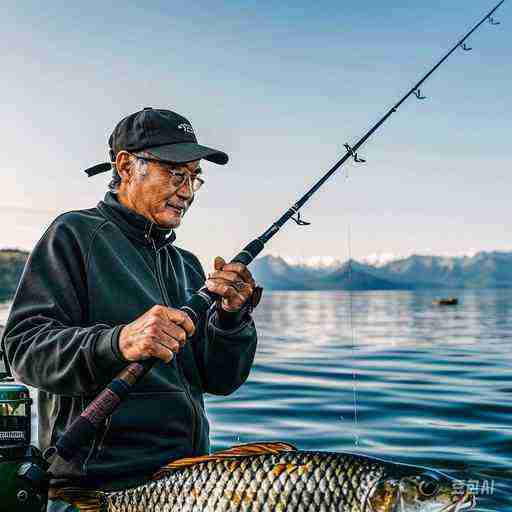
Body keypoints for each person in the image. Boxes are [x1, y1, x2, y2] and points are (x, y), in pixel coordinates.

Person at [2, 108, 260, 511]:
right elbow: (23, 349)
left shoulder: (187, 265)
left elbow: (222, 379)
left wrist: (231, 319)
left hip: (187, 485)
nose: (188, 191)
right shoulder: (75, 234)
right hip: (95, 491)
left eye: (195, 177)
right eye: (176, 174)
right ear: (126, 166)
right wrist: (119, 342)